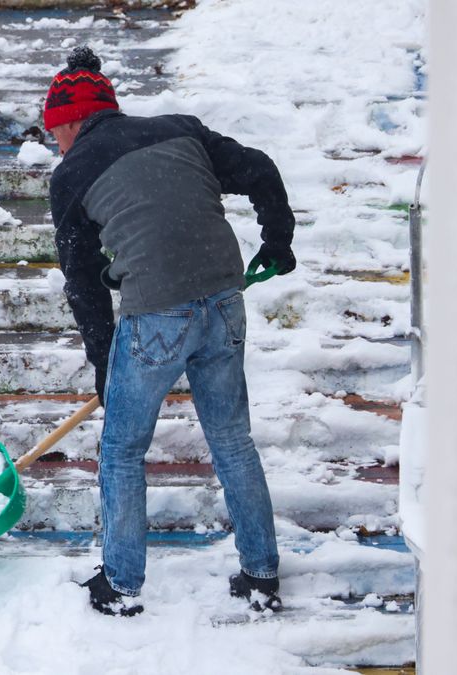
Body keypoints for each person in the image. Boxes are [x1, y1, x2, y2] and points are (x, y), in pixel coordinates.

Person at [43, 47, 296, 617]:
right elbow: (259, 168)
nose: (55, 143)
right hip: (224, 303)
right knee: (232, 442)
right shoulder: (180, 129)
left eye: (54, 131)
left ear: (70, 122)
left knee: (123, 450)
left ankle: (121, 585)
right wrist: (277, 238)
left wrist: (104, 361)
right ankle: (261, 575)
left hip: (155, 317)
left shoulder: (72, 174)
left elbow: (82, 282)